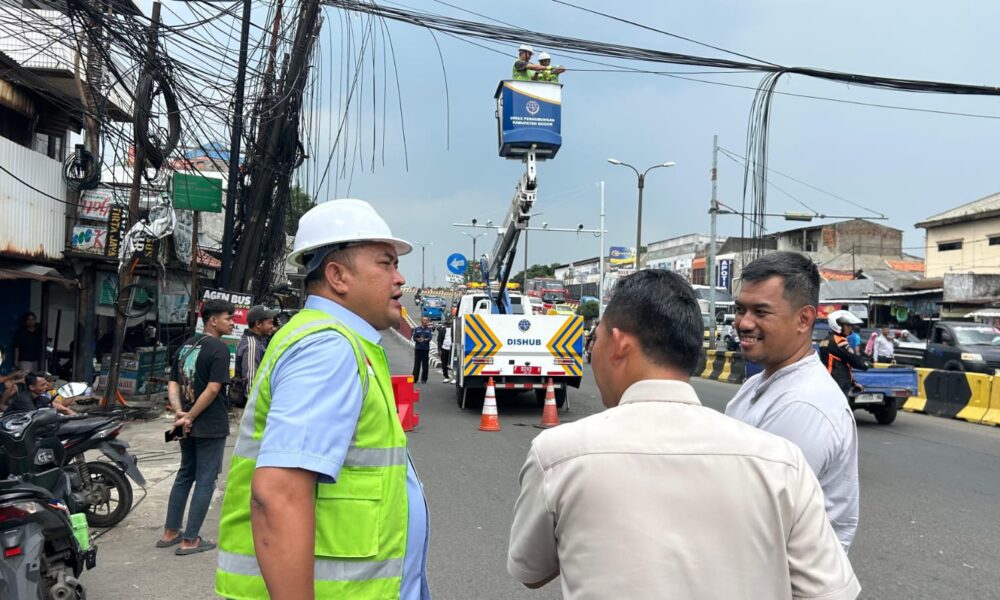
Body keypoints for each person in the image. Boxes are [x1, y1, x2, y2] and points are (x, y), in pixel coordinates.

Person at [508, 270, 859, 598]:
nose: (591, 352)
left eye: (594, 339)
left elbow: (531, 571)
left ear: (618, 343)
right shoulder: (782, 461)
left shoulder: (558, 456)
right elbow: (830, 591)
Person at [215, 199, 431, 599]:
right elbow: (278, 493)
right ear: (338, 276)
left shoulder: (337, 340)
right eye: (386, 264)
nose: (400, 279)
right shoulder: (327, 347)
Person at [724, 252, 860, 552]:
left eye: (761, 312)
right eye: (740, 309)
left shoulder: (804, 405)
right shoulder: (756, 385)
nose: (744, 323)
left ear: (804, 319)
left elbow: (754, 517)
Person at [157, 298, 234, 556]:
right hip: (208, 424)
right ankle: (190, 540)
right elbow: (213, 389)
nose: (231, 323)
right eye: (228, 318)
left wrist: (180, 412)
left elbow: (173, 385)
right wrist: (190, 416)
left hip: (184, 424)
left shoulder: (186, 346)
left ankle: (170, 532)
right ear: (213, 320)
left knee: (184, 474)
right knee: (205, 479)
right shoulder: (219, 350)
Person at [233, 305, 279, 410]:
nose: (272, 326)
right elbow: (250, 379)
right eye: (270, 323)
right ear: (258, 324)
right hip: (249, 406)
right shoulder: (252, 344)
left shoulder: (257, 341)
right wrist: (255, 407)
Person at [819, 310, 869, 395]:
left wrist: (853, 382)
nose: (850, 328)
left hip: (830, 383)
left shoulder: (826, 340)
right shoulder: (838, 340)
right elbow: (852, 358)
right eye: (847, 325)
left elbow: (839, 363)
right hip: (838, 385)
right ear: (837, 325)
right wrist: (865, 364)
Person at [3, 371, 75, 416]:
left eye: (46, 384)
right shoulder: (23, 400)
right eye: (42, 385)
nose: (45, 387)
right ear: (32, 387)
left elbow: (56, 406)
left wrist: (70, 413)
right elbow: (36, 417)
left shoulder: (39, 397)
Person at [412, 316, 433, 384]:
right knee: (417, 365)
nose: (426, 321)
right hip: (418, 349)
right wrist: (418, 339)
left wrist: (425, 339)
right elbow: (414, 337)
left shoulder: (429, 330)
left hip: (425, 349)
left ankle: (424, 379)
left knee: (425, 365)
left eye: (426, 320)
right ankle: (415, 379)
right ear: (421, 321)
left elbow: (430, 338)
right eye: (424, 320)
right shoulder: (417, 329)